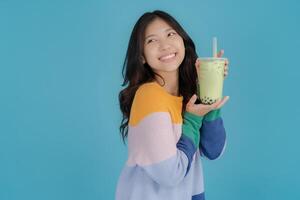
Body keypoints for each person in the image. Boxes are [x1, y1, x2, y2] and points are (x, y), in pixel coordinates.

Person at [116, 10, 230, 200]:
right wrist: (192, 120)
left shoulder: (186, 96)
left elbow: (214, 150)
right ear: (142, 56)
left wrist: (210, 92)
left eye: (170, 34)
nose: (165, 45)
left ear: (182, 41)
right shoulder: (149, 96)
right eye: (151, 40)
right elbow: (170, 174)